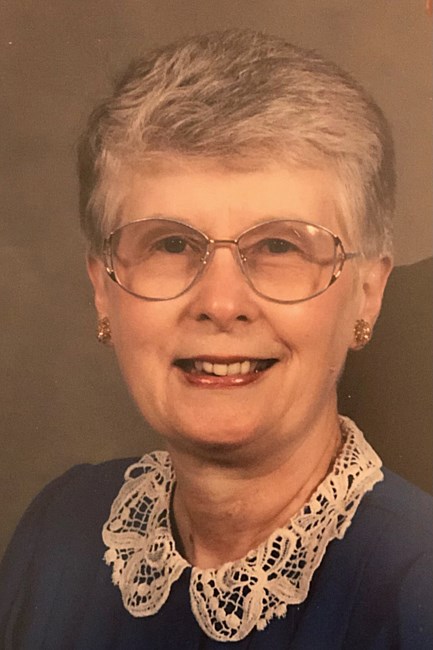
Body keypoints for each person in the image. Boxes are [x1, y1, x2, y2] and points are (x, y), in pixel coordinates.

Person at [0, 29, 432, 649]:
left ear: (367, 292)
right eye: (171, 244)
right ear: (103, 288)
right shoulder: (57, 532)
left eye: (279, 245)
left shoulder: (417, 589)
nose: (221, 304)